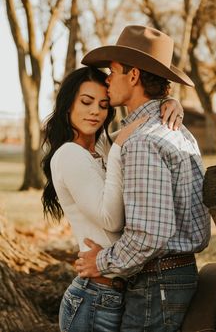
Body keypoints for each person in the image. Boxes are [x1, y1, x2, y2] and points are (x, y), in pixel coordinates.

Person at [76, 25, 211, 332]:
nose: (107, 80)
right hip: (167, 280)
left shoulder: (144, 141)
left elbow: (150, 234)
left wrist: (100, 262)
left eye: (113, 71)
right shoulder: (172, 129)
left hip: (156, 283)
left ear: (133, 76)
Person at [41, 66, 184, 332]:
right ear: (67, 105)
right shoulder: (69, 155)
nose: (95, 111)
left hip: (118, 294)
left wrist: (170, 103)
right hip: (92, 299)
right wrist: (119, 150)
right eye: (86, 102)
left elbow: (138, 132)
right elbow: (111, 219)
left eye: (103, 104)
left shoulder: (101, 148)